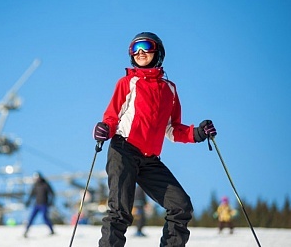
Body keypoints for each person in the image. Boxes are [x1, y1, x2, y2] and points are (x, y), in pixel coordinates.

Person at [93, 32, 217, 247]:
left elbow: (173, 129)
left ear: (158, 51)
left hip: (150, 160)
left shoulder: (170, 90)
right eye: (134, 49)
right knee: (120, 212)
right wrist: (104, 129)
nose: (140, 52)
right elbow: (112, 117)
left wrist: (198, 132)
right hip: (123, 150)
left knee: (181, 206)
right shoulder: (127, 82)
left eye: (145, 46)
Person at [23, 171, 55, 238]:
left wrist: (51, 202)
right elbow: (32, 195)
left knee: (45, 217)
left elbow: (52, 194)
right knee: (31, 218)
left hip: (44, 204)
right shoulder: (35, 186)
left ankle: (52, 230)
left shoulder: (45, 185)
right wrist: (28, 202)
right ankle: (26, 231)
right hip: (37, 205)